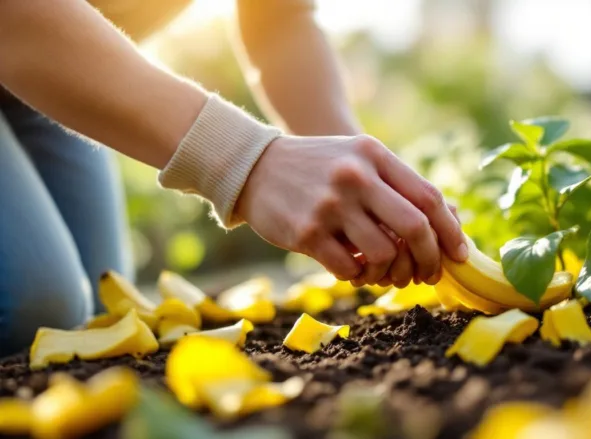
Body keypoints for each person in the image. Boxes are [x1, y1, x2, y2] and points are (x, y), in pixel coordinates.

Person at [0, 0, 468, 356]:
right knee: (34, 309)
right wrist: (244, 160)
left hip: (57, 72)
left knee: (97, 323)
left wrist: (366, 186)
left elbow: (279, 23)